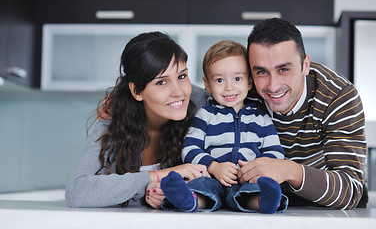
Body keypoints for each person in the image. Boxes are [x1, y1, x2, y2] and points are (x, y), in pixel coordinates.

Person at [65, 31, 210, 208]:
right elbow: (77, 192)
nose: (179, 92)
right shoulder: (113, 123)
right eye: (161, 82)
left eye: (182, 76)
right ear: (136, 91)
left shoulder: (200, 105)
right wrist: (161, 174)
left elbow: (239, 91)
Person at [238, 18, 368, 209]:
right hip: (259, 202)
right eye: (261, 72)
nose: (273, 86)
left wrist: (289, 170)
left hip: (320, 207)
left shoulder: (338, 96)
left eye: (284, 69)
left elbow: (350, 191)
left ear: (305, 65)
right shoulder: (243, 92)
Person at [160, 40, 288, 214]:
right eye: (219, 80)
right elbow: (189, 149)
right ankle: (188, 200)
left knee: (251, 190)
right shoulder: (205, 115)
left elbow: (276, 152)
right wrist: (213, 167)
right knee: (202, 187)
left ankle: (266, 201)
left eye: (237, 78)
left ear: (249, 82)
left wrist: (257, 169)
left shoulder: (261, 118)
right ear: (207, 84)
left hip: (247, 179)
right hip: (212, 177)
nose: (229, 87)